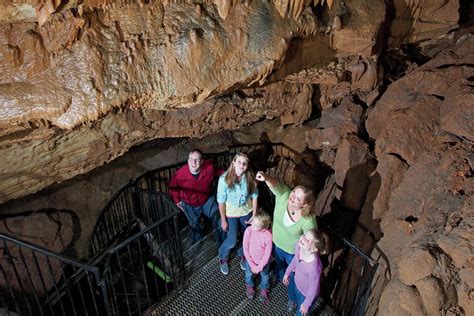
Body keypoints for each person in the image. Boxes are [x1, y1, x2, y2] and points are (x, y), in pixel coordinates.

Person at [255, 171, 317, 281]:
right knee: (279, 264)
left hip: (293, 253)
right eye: (293, 192)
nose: (292, 197)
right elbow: (276, 185)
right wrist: (266, 177)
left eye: (298, 199)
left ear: (305, 205)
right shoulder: (285, 196)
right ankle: (279, 277)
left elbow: (311, 239)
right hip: (277, 244)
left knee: (293, 273)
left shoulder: (308, 220)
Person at [168, 149, 223, 244]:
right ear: (188, 160)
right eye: (191, 159)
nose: (193, 162)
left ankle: (222, 243)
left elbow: (218, 172)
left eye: (197, 160)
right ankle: (198, 241)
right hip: (189, 203)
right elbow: (172, 188)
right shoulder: (180, 174)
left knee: (218, 218)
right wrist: (177, 200)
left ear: (201, 161)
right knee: (194, 224)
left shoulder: (208, 168)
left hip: (206, 199)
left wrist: (232, 175)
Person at [217, 152, 259, 275]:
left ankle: (242, 253)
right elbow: (221, 202)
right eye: (239, 162)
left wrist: (255, 214)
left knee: (247, 237)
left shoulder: (250, 177)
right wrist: (223, 219)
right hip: (231, 213)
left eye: (245, 163)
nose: (242, 165)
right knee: (232, 240)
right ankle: (223, 256)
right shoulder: (224, 179)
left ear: (247, 165)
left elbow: (254, 196)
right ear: (234, 163)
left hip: (246, 211)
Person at [283, 229, 329, 315]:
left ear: (314, 249)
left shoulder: (314, 267)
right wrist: (287, 272)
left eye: (307, 240)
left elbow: (313, 289)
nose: (303, 238)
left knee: (301, 313)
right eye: (304, 235)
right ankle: (293, 302)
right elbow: (295, 260)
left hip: (306, 295)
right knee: (294, 294)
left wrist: (306, 304)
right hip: (297, 283)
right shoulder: (299, 246)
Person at [242, 211, 272, 304]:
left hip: (263, 263)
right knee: (248, 274)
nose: (252, 226)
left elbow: (267, 255)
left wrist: (259, 267)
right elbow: (245, 248)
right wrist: (252, 265)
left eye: (255, 225)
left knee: (265, 276)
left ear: (263, 228)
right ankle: (249, 285)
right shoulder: (249, 230)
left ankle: (264, 289)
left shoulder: (268, 236)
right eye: (252, 223)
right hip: (250, 260)